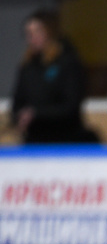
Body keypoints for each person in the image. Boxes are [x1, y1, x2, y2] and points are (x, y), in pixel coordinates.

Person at [11, 9, 97, 144]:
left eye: (37, 31)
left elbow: (70, 106)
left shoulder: (68, 63)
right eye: (28, 33)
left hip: (65, 140)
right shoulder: (27, 67)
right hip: (35, 140)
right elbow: (17, 103)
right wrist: (19, 116)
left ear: (50, 32)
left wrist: (36, 113)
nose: (32, 37)